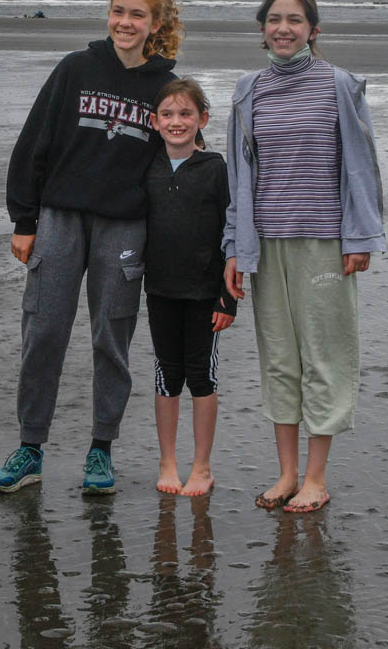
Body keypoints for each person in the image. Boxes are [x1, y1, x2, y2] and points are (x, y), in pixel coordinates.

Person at [0, 0, 183, 494]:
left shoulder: (165, 88)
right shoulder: (75, 68)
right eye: (118, 11)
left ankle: (101, 450)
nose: (125, 22)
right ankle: (30, 449)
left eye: (137, 15)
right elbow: (35, 142)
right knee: (44, 330)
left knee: (110, 338)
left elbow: (172, 167)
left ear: (155, 25)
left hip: (124, 226)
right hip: (59, 218)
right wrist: (23, 220)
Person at [223, 0, 385, 513]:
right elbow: (237, 179)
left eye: (295, 20)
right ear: (262, 29)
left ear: (314, 30)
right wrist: (233, 248)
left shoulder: (339, 85)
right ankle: (287, 473)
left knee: (325, 357)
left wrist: (360, 237)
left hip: (324, 243)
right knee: (279, 360)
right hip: (265, 245)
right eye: (274, 19)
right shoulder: (248, 91)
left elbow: (363, 165)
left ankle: (316, 477)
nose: (283, 29)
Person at [145, 78, 236, 496]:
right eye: (167, 114)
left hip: (205, 295)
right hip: (160, 290)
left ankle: (201, 466)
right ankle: (168, 462)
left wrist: (228, 297)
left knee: (202, 377)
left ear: (203, 119)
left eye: (185, 114)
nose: (176, 121)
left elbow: (231, 233)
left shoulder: (217, 168)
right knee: (167, 376)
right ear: (154, 121)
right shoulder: (148, 167)